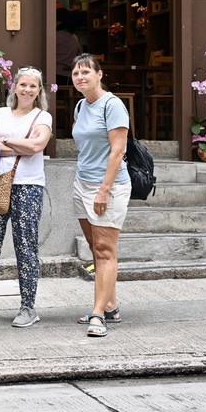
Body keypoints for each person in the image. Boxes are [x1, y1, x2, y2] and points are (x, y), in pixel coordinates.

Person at [0, 67, 53, 328]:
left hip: (28, 187)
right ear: (14, 87)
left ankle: (28, 306)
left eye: (33, 86)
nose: (28, 90)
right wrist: (20, 144)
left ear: (39, 90)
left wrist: (5, 142)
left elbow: (37, 146)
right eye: (23, 85)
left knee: (26, 246)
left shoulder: (43, 116)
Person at [70, 54, 130, 338]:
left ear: (99, 75)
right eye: (76, 73)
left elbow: (118, 151)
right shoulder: (81, 105)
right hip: (82, 184)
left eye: (85, 72)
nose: (80, 77)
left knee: (105, 251)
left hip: (109, 185)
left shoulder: (112, 105)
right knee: (96, 248)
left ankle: (97, 314)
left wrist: (104, 190)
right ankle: (111, 306)